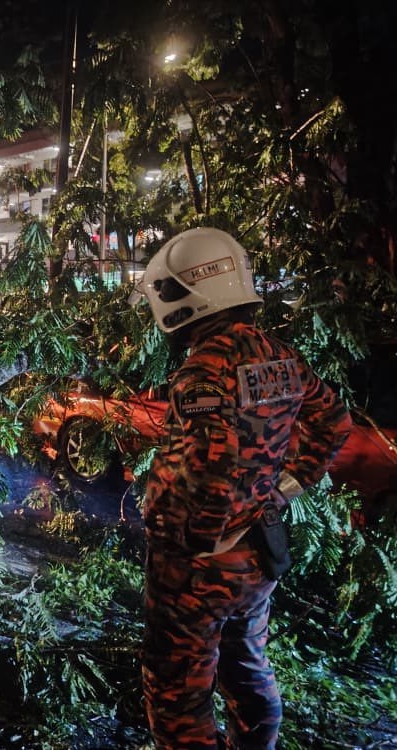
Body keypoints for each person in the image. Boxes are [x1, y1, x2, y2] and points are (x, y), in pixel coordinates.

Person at [132, 227, 352, 749]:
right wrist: (284, 489)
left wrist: (202, 539)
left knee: (179, 693)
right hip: (256, 553)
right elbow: (335, 423)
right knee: (247, 666)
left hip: (200, 566)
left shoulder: (205, 368)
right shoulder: (282, 356)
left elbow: (213, 463)